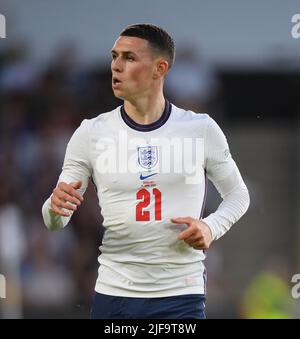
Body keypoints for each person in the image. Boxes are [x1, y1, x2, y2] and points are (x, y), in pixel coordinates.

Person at [42, 23, 250, 319]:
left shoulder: (200, 129)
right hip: (115, 294)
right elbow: (55, 221)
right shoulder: (90, 133)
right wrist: (54, 208)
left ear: (159, 68)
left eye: (129, 58)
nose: (116, 66)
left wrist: (210, 227)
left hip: (180, 294)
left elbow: (238, 194)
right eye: (114, 56)